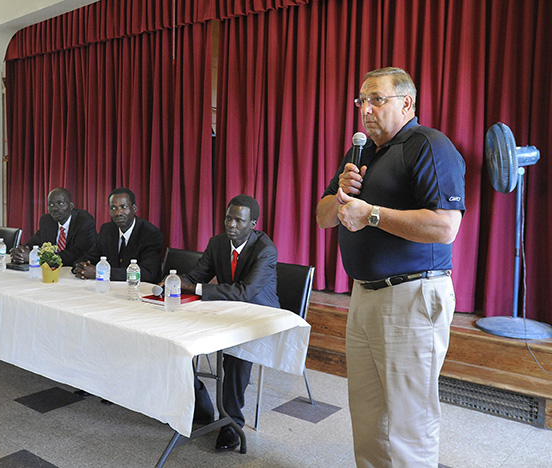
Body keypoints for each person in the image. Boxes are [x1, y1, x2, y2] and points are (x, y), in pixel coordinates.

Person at [316, 67, 465, 468]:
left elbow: (445, 227)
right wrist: (342, 194)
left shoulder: (429, 145)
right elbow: (323, 216)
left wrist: (373, 215)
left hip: (412, 296)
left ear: (407, 103)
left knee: (407, 421)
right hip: (365, 296)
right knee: (367, 416)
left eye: (377, 99)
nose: (366, 108)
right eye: (361, 100)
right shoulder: (360, 153)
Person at [172, 194, 279, 452]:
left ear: (253, 223)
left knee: (237, 355)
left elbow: (245, 291)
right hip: (224, 310)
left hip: (259, 316)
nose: (231, 225)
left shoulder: (265, 249)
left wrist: (195, 287)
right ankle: (201, 405)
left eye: (238, 221)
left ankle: (231, 423)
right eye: (228, 218)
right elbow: (198, 275)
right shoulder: (218, 243)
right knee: (176, 339)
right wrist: (174, 282)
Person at [73, 188, 163, 283]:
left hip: (138, 291)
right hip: (109, 288)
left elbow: (147, 274)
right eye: (113, 208)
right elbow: (90, 257)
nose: (118, 213)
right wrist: (81, 267)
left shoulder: (150, 234)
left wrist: (102, 273)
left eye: (123, 207)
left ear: (134, 208)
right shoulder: (107, 230)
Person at [10, 188, 96, 266]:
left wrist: (37, 258)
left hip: (72, 270)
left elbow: (76, 254)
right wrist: (21, 252)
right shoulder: (47, 220)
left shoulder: (84, 221)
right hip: (50, 271)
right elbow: (34, 243)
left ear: (71, 207)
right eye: (50, 205)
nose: (54, 208)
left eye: (60, 203)